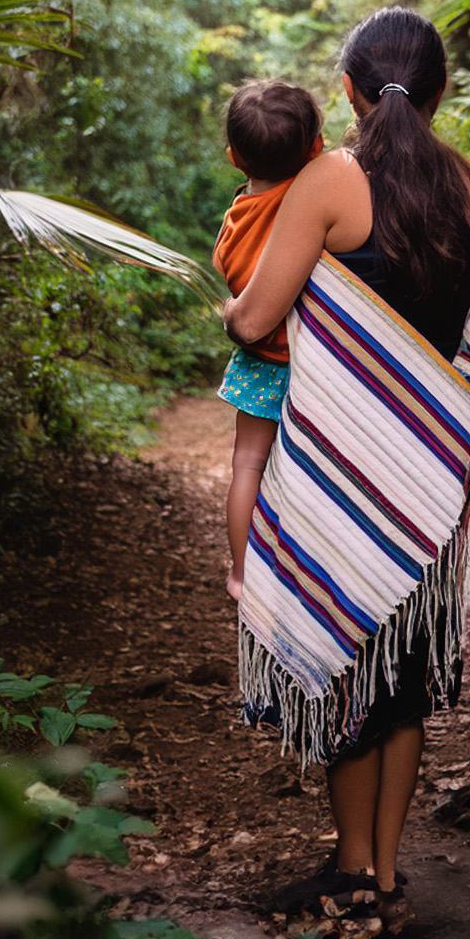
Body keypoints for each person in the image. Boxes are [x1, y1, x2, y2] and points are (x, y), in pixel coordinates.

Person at [221, 8, 470, 935]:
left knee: (347, 663)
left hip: (342, 478)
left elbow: (254, 314)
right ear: (441, 92)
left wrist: (244, 312)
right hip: (430, 480)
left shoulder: (328, 180)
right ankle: (388, 875)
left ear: (347, 90)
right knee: (402, 676)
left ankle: (352, 871)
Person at [212, 80, 324, 602]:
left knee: (247, 466)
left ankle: (240, 572)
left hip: (257, 365)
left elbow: (228, 270)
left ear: (234, 157)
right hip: (309, 363)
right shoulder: (308, 202)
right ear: (316, 148)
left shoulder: (235, 217)